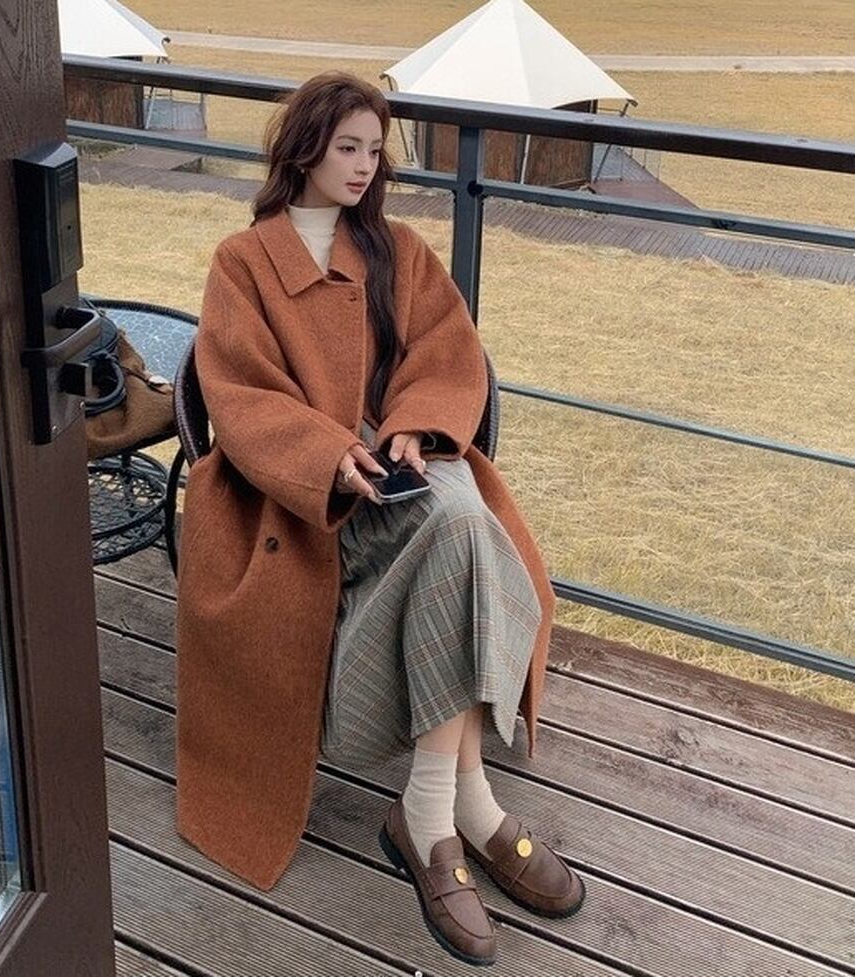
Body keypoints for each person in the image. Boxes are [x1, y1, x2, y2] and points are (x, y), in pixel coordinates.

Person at [175, 70, 584, 966]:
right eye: (346, 147)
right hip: (299, 502)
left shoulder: (397, 249)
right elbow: (237, 394)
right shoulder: (243, 262)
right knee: (465, 531)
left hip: (406, 474)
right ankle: (460, 809)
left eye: (374, 149)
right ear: (304, 151)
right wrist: (329, 456)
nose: (364, 166)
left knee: (459, 522)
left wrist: (411, 426)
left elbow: (447, 350)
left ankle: (434, 815)